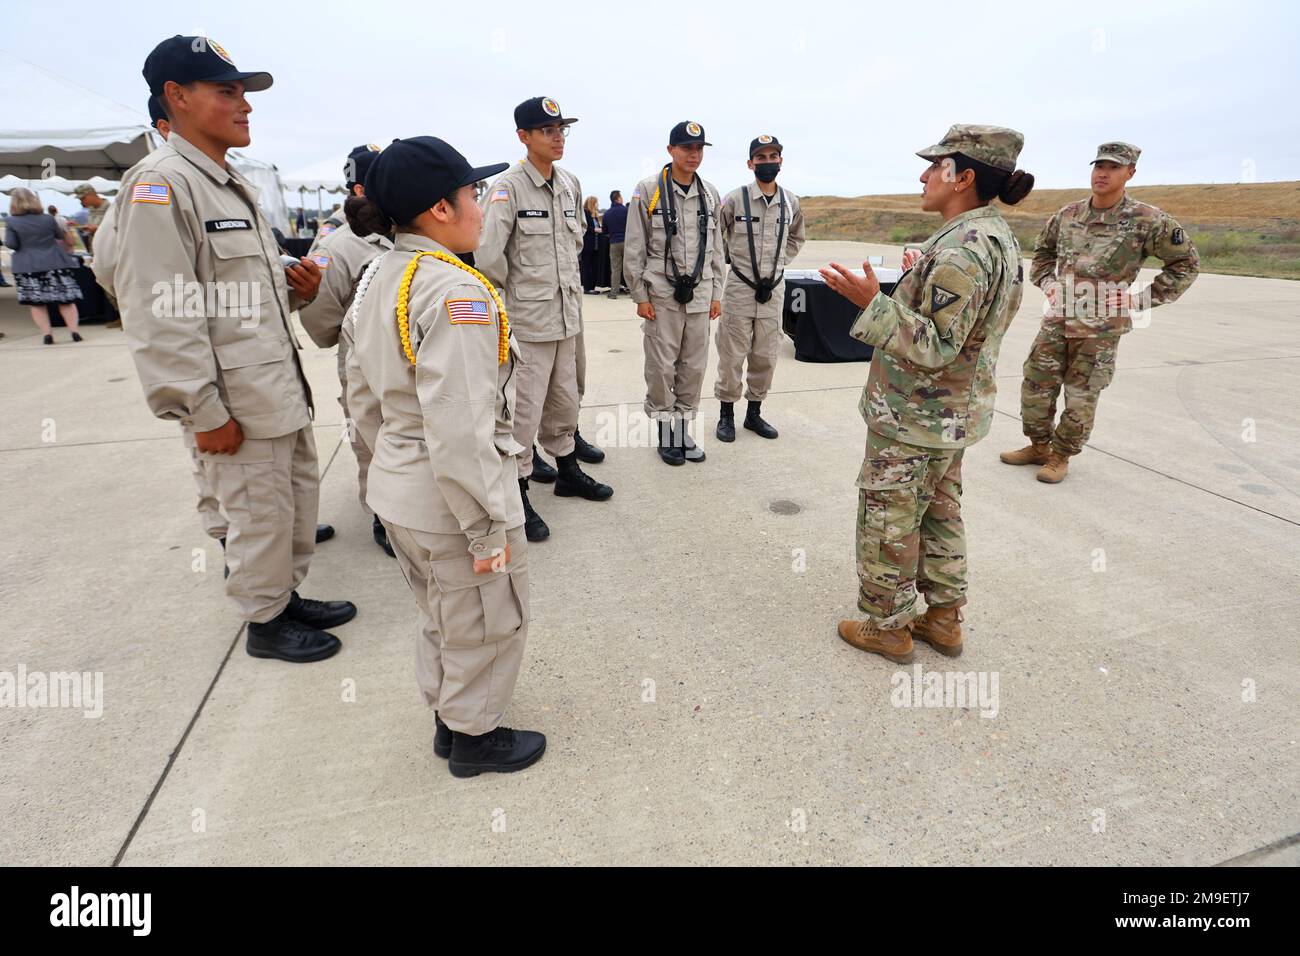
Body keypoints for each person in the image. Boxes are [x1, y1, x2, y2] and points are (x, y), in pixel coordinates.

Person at [115, 35, 354, 663]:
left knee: (287, 503)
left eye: (243, 92)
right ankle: (265, 622)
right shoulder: (162, 186)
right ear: (176, 96)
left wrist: (295, 290)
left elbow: (231, 294)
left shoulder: (224, 184)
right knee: (258, 513)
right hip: (233, 402)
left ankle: (282, 596)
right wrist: (200, 410)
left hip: (270, 386)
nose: (244, 104)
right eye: (227, 92)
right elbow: (160, 311)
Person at [344, 136, 546, 777]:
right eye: (472, 193)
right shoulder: (457, 292)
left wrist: (390, 468)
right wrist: (486, 526)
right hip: (453, 499)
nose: (481, 206)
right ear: (439, 208)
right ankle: (474, 738)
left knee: (441, 612)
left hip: (401, 488)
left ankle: (447, 717)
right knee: (488, 619)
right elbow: (461, 425)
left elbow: (360, 397)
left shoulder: (379, 275)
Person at [820, 124, 1034, 663]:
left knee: (888, 519)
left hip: (915, 416)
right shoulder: (991, 236)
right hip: (949, 417)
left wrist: (872, 303)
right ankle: (942, 618)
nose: (923, 176)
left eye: (936, 166)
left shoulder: (963, 251)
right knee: (939, 513)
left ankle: (888, 627)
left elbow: (937, 344)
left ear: (963, 178)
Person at [1001, 142, 1200, 483]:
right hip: (1057, 319)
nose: (1103, 174)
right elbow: (1043, 252)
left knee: (1081, 395)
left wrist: (1139, 300)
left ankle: (1061, 456)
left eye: (1113, 167)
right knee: (1036, 384)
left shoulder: (1148, 220)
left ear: (1130, 173)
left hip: (1100, 330)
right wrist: (1048, 282)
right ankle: (1038, 446)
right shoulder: (1068, 215)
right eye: (1099, 166)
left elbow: (1186, 264)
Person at [477, 96, 612, 543]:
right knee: (523, 411)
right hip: (529, 321)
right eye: (547, 130)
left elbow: (573, 245)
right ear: (523, 136)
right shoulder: (507, 188)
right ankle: (517, 490)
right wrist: (518, 300)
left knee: (566, 398)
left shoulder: (569, 183)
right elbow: (488, 256)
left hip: (567, 315)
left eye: (561, 130)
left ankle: (567, 469)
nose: (557, 138)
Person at [299, 144, 396, 557]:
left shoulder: (398, 228)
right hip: (363, 364)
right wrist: (349, 339)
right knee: (369, 437)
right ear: (360, 189)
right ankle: (382, 517)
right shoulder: (337, 246)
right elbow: (317, 310)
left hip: (401, 360)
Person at [624, 121, 725, 465]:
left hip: (700, 294)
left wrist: (717, 293)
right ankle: (665, 431)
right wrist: (640, 296)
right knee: (661, 367)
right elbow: (635, 246)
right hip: (661, 295)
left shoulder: (710, 194)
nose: (693, 155)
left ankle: (682, 429)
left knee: (694, 367)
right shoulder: (648, 189)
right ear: (671, 150)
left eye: (698, 149)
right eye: (686, 148)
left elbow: (717, 248)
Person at [714, 135, 806, 443]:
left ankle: (754, 413)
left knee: (766, 355)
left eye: (772, 157)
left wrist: (780, 261)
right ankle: (726, 414)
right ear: (750, 163)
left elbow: (797, 237)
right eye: (761, 158)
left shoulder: (790, 202)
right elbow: (716, 234)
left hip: (773, 290)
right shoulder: (734, 199)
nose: (767, 162)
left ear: (781, 161)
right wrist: (727, 259)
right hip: (740, 288)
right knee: (731, 354)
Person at [3, 188, 83, 344]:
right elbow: (59, 236)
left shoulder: (11, 222)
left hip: (27, 266)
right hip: (55, 262)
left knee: (37, 303)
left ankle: (47, 335)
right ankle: (74, 332)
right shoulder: (48, 219)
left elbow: (12, 244)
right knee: (66, 300)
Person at [604, 190, 627, 299]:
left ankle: (614, 293)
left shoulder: (607, 213)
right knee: (630, 267)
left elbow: (605, 231)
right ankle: (634, 291)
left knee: (615, 269)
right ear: (618, 198)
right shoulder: (626, 210)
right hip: (627, 242)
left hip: (614, 242)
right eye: (621, 197)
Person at [73, 184, 109, 255]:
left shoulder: (110, 209)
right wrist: (79, 226)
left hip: (107, 252)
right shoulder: (91, 209)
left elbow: (116, 230)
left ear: (91, 194)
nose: (81, 202)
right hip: (94, 251)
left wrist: (97, 229)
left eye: (83, 198)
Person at [580, 195, 601, 292]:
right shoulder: (585, 213)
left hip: (595, 245)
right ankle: (587, 288)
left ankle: (592, 287)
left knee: (593, 266)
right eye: (596, 202)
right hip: (588, 244)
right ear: (592, 203)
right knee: (587, 266)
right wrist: (594, 229)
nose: (598, 204)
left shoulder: (594, 215)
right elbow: (583, 227)